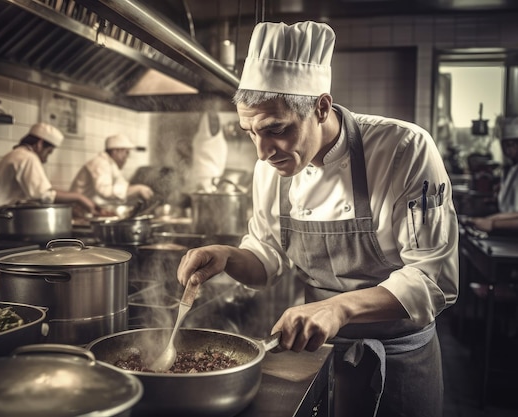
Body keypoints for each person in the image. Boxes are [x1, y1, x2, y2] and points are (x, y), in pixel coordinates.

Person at [176, 21, 458, 417]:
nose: (262, 152)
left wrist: (338, 308)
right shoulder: (271, 167)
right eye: (249, 133)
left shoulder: (403, 149)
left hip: (400, 361)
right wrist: (227, 256)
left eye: (276, 129)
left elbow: (433, 279)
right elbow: (266, 258)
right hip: (317, 358)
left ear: (321, 107)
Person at [0, 122, 97, 214]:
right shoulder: (28, 157)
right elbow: (43, 195)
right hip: (3, 219)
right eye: (48, 152)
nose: (46, 159)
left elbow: (42, 191)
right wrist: (78, 197)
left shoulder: (14, 155)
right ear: (39, 144)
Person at [69, 134, 154, 208]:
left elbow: (123, 186)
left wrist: (139, 190)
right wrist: (137, 189)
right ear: (115, 151)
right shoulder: (100, 163)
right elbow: (106, 192)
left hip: (89, 209)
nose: (126, 157)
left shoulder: (111, 165)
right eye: (126, 152)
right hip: (79, 210)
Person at [465, 116, 518, 232]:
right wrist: (491, 219)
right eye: (504, 145)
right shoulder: (510, 169)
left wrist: (493, 224)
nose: (507, 150)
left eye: (511, 145)